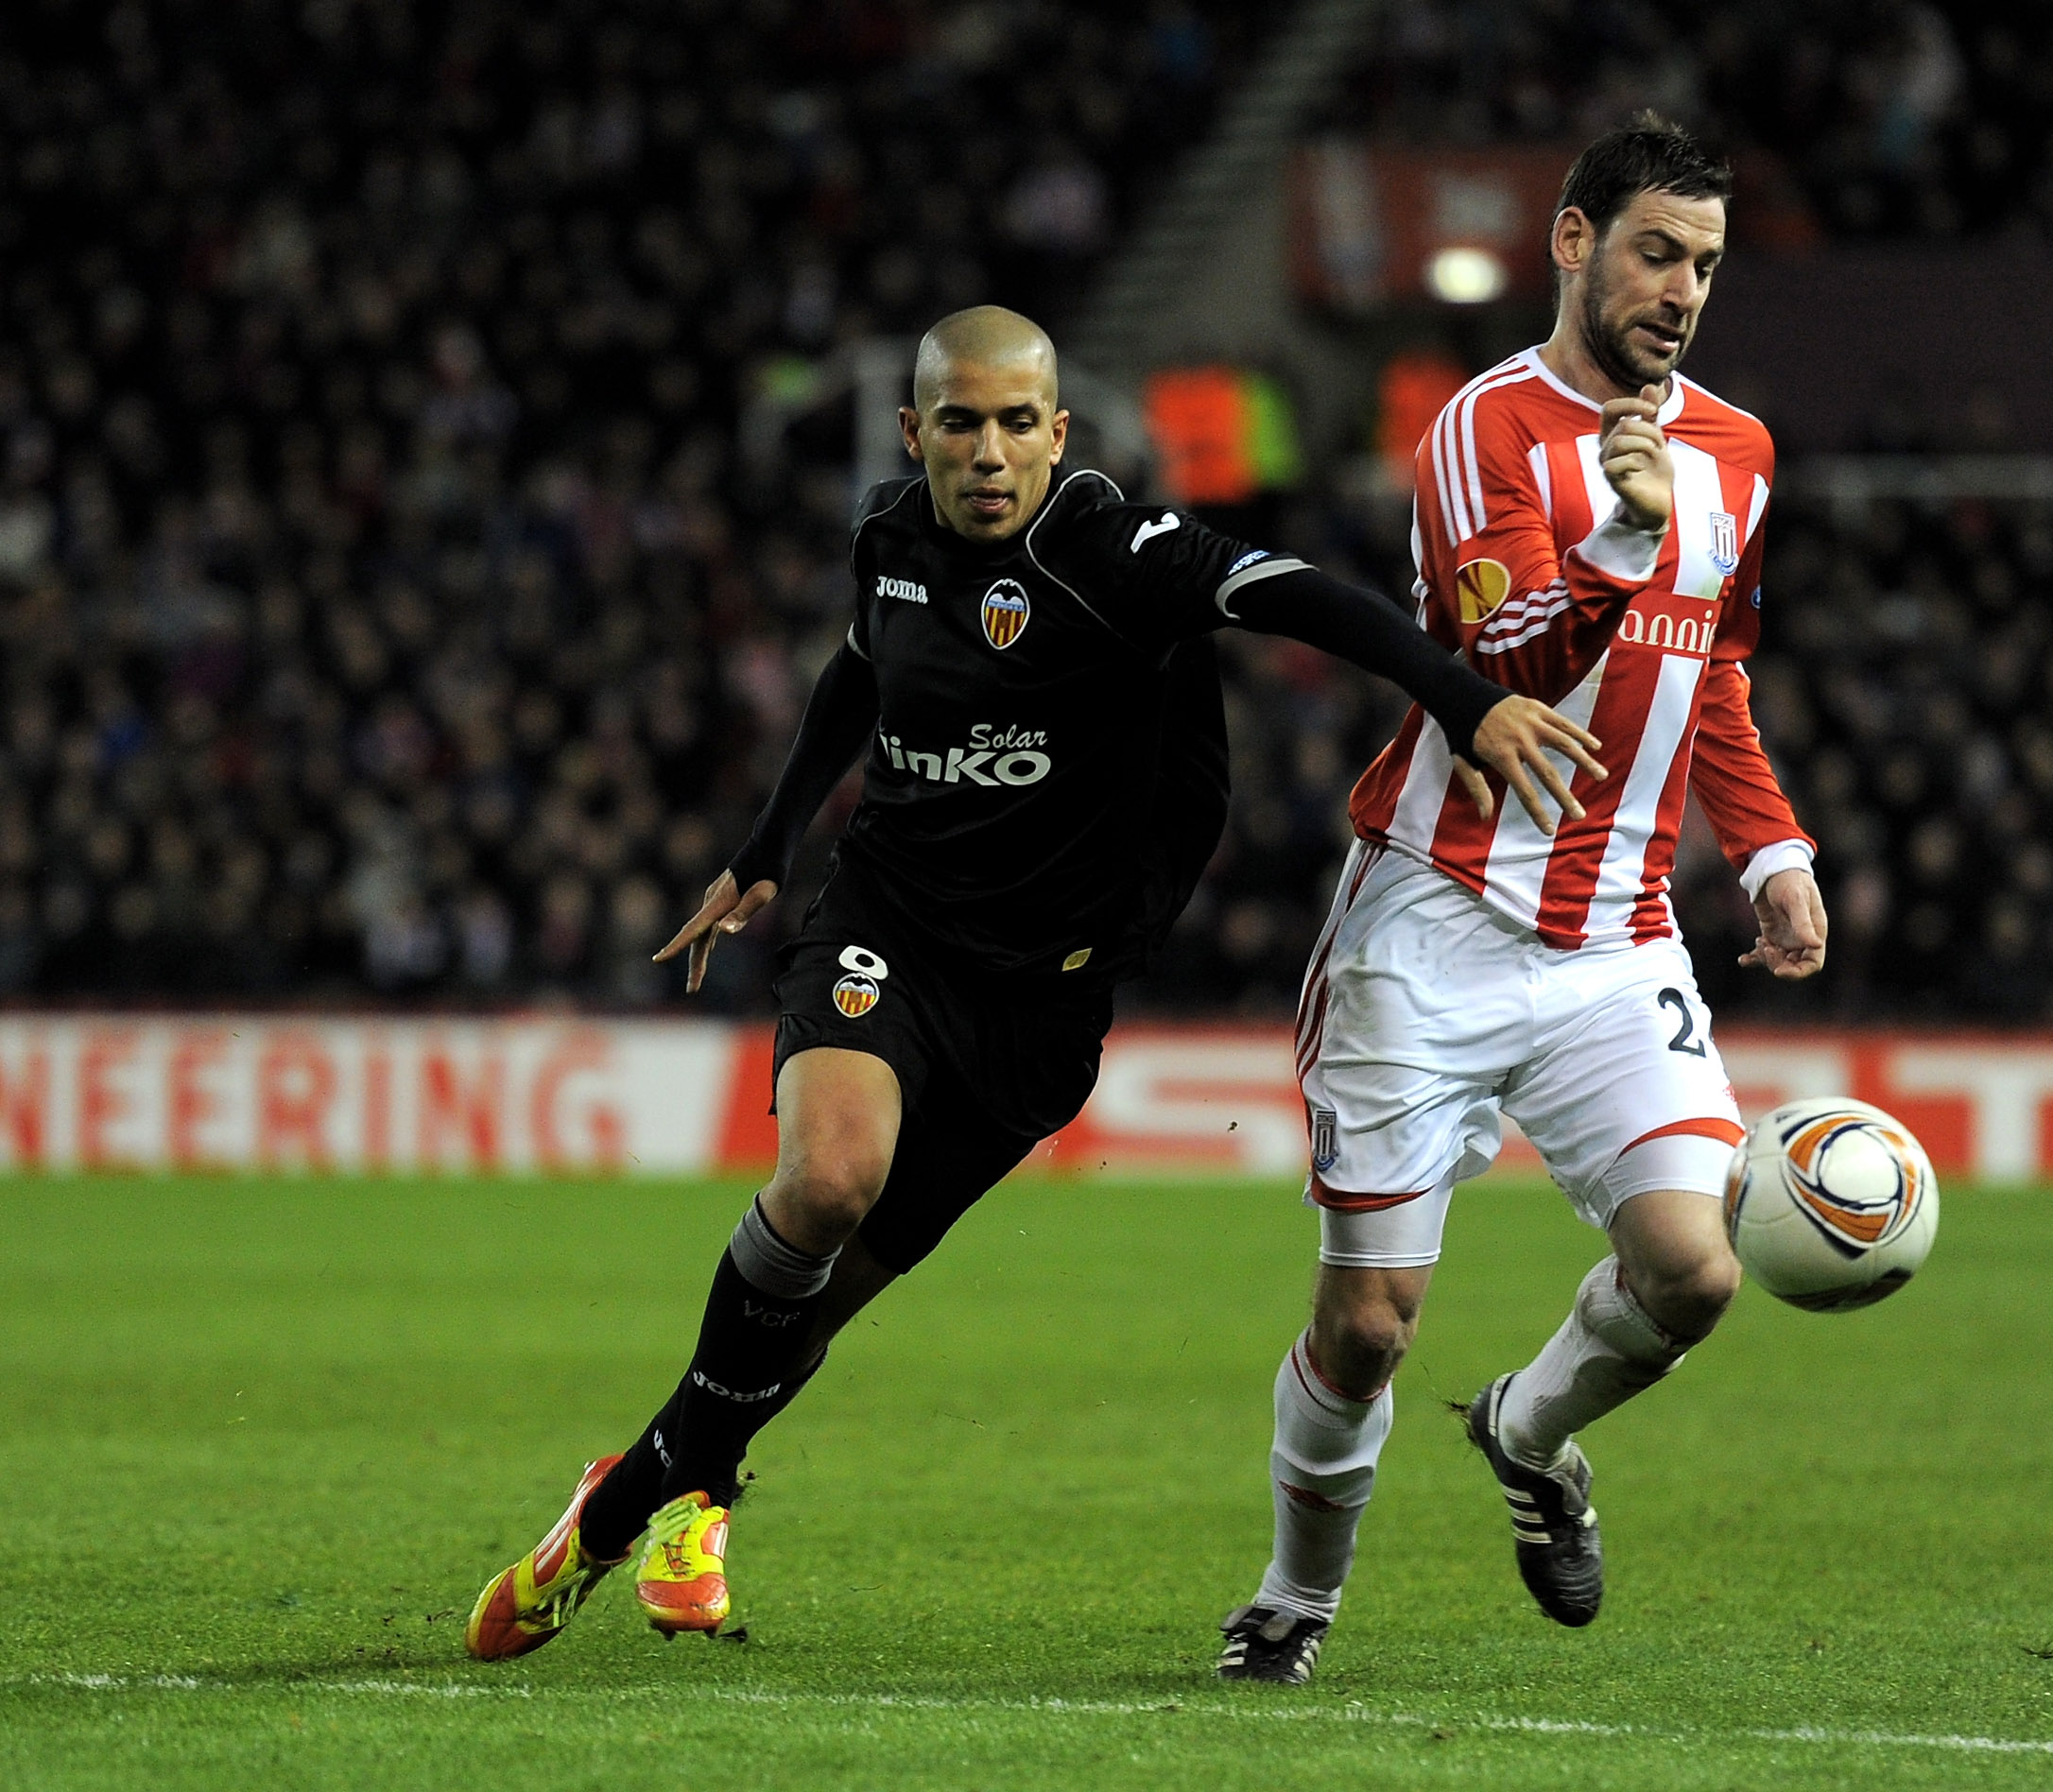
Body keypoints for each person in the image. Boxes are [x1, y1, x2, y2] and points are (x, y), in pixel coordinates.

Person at [463, 305, 1598, 1660]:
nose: (989, 453)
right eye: (961, 424)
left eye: (1016, 424)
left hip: (1045, 1002)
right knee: (827, 1182)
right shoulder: (891, 540)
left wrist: (1463, 700)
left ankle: (621, 1503)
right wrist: (768, 847)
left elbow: (1305, 596)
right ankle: (695, 1497)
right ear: (914, 432)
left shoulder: (1122, 555)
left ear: (1059, 433)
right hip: (889, 924)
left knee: (807, 1314)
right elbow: (858, 671)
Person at [1215, 117, 1827, 1685]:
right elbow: (1497, 673)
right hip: (1432, 921)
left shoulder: (1740, 451)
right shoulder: (1479, 429)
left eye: (1703, 265)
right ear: (1571, 242)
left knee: (1694, 1270)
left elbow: (1712, 669)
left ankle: (1528, 1433)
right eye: (1653, 253)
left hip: (1619, 935)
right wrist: (1622, 528)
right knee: (1367, 1327)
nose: (1680, 290)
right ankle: (1293, 1599)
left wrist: (1770, 852)